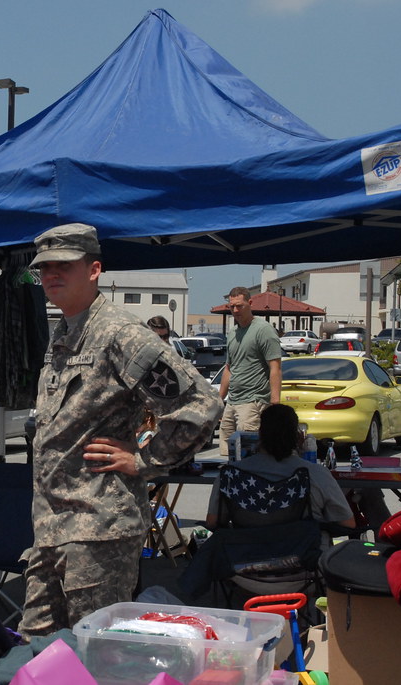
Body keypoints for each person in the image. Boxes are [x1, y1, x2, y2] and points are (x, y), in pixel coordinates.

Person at [21, 223, 223, 637]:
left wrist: (144, 461)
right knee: (37, 649)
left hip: (98, 531)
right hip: (51, 528)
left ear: (94, 269)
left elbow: (201, 405)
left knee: (96, 654)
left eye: (64, 265)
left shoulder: (120, 333)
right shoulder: (64, 330)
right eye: (44, 267)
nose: (51, 275)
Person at [205, 404, 355, 529]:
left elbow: (213, 522)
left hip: (245, 557)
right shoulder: (315, 474)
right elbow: (347, 523)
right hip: (305, 557)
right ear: (298, 437)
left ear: (260, 434)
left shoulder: (231, 475)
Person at [218, 286, 283, 457]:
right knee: (226, 455)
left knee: (248, 455)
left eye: (240, 306)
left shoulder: (263, 330)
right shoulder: (232, 333)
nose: (236, 310)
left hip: (253, 402)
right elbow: (229, 368)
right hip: (232, 402)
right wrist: (219, 400)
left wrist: (275, 404)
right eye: (232, 307)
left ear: (250, 303)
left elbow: (275, 367)